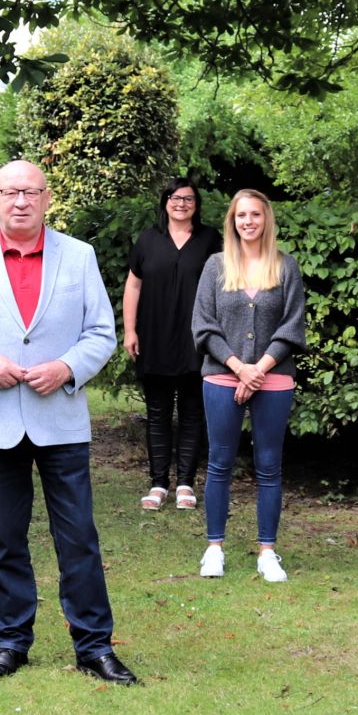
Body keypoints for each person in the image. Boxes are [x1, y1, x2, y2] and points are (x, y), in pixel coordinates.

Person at [0, 159, 135, 684]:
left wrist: (67, 366)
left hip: (60, 419)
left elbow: (101, 333)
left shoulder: (79, 255)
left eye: (31, 191)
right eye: (10, 192)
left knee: (79, 537)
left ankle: (94, 645)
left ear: (46, 198)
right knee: (5, 539)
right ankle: (12, 641)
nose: (20, 201)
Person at [192, 189, 308, 583]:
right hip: (223, 373)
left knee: (269, 466)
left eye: (255, 214)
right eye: (241, 215)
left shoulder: (285, 267)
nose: (248, 221)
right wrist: (240, 367)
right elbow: (203, 326)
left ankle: (267, 551)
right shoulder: (215, 266)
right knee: (220, 462)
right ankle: (214, 548)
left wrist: (259, 368)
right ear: (233, 220)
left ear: (266, 219)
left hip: (273, 376)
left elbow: (293, 326)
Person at [124, 176, 221, 511]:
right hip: (154, 335)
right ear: (165, 201)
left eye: (189, 199)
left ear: (197, 204)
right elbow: (133, 286)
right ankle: (158, 484)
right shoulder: (149, 240)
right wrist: (130, 330)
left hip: (197, 338)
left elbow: (224, 286)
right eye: (175, 198)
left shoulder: (210, 239)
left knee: (193, 412)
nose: (181, 204)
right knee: (158, 412)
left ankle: (185, 485)